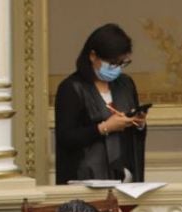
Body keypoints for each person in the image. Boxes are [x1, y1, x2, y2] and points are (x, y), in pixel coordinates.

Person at [54, 23, 147, 184]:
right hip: (86, 179)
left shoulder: (126, 84)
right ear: (93, 56)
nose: (117, 69)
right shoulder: (71, 88)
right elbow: (66, 137)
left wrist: (139, 123)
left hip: (125, 178)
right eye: (112, 63)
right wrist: (104, 128)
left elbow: (134, 137)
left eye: (122, 63)